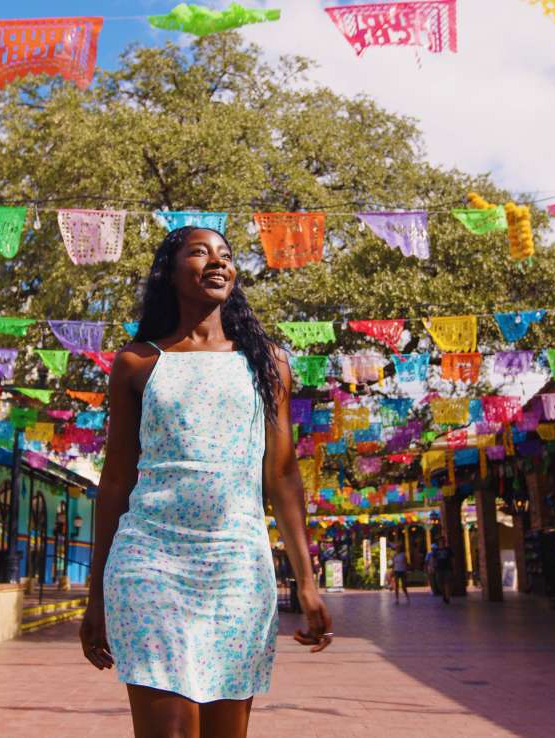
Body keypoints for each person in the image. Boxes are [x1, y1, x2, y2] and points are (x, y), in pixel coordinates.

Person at [79, 226, 333, 738]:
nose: (218, 262)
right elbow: (115, 483)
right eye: (200, 253)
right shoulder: (138, 362)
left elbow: (282, 475)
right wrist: (96, 594)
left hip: (237, 567)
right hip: (149, 561)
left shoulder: (267, 363)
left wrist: (306, 580)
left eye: (226, 255)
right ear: (170, 274)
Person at [433, 536, 454, 604]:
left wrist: (453, 567)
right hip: (439, 569)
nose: (442, 543)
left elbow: (452, 559)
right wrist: (433, 566)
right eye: (440, 541)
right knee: (439, 583)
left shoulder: (448, 549)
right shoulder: (436, 550)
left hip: (447, 568)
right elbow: (433, 559)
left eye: (443, 541)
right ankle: (444, 594)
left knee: (447, 583)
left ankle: (447, 597)